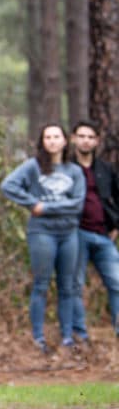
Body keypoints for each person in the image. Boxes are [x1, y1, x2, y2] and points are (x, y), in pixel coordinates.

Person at [1, 123, 86, 355]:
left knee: (67, 286)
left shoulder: (74, 171)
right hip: (42, 233)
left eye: (56, 136)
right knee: (41, 284)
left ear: (65, 140)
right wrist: (31, 203)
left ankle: (67, 338)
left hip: (69, 234)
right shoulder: (33, 167)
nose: (52, 141)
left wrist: (45, 206)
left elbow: (77, 203)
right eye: (47, 137)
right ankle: (38, 338)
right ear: (42, 141)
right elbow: (8, 185)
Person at [67, 120, 119, 344]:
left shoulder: (106, 169)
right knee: (76, 285)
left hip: (104, 236)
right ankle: (81, 335)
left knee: (116, 283)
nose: (86, 140)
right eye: (82, 136)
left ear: (96, 141)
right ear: (73, 138)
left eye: (90, 137)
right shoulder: (66, 169)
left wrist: (116, 226)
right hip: (77, 235)